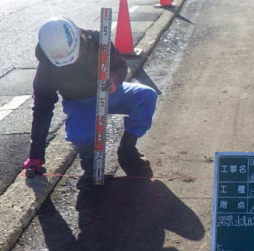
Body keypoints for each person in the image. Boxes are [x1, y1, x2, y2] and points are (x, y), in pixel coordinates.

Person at [23, 17, 157, 186]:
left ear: (80, 39)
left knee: (146, 95)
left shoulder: (97, 41)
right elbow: (42, 109)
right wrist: (35, 155)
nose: (69, 64)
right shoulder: (47, 68)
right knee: (79, 135)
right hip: (80, 102)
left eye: (73, 57)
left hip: (112, 92)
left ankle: (128, 150)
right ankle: (90, 164)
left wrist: (114, 79)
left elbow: (119, 66)